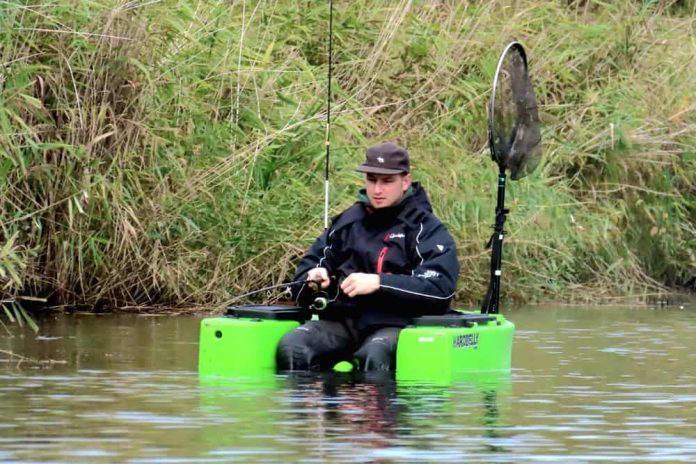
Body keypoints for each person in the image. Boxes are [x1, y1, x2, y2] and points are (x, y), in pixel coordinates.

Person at [277, 142, 460, 372]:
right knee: (293, 346)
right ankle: (315, 406)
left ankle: (375, 406)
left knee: (374, 354)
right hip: (344, 323)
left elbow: (439, 288)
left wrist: (379, 283)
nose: (377, 190)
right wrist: (314, 278)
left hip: (398, 325)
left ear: (405, 182)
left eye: (386, 181)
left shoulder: (426, 228)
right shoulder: (347, 223)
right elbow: (304, 278)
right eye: (372, 180)